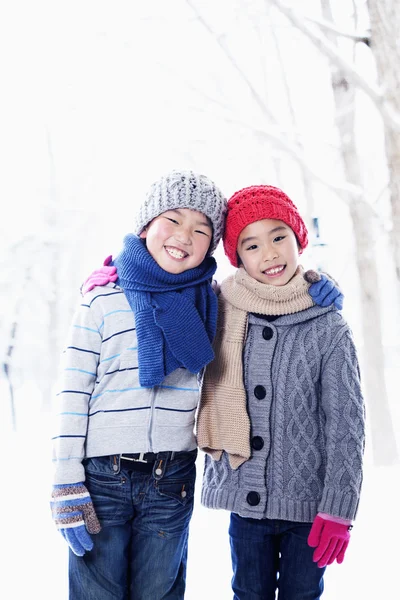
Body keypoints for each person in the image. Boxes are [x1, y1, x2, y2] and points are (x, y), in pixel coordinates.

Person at [50, 170, 227, 600]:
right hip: (101, 481)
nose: (185, 236)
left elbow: (268, 293)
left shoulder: (213, 302)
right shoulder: (102, 300)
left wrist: (317, 286)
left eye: (202, 229)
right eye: (174, 219)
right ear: (146, 225)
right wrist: (66, 482)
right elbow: (73, 395)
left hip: (172, 478)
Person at [196, 184, 365, 600]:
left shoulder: (327, 326)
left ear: (298, 239)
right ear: (237, 258)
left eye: (278, 237)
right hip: (245, 505)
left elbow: (346, 426)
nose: (269, 254)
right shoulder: (220, 309)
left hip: (310, 512)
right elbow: (167, 292)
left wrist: (338, 508)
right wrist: (122, 268)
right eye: (251, 245)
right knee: (246, 594)